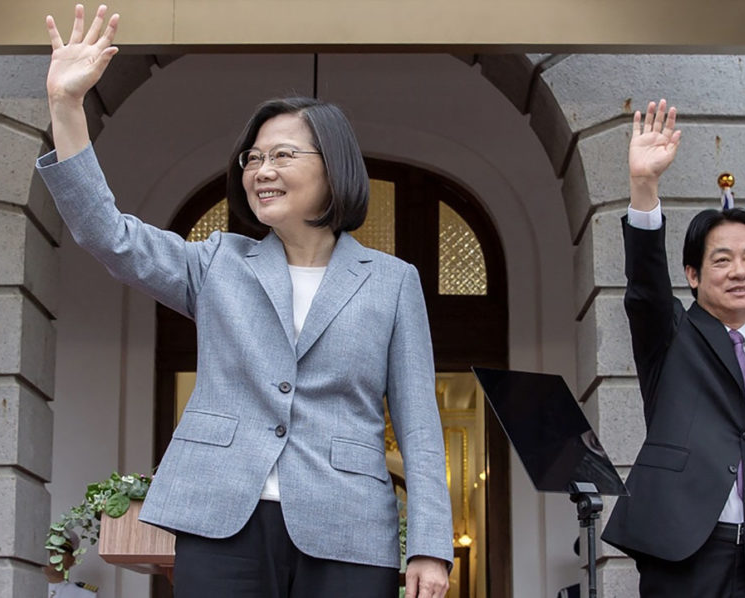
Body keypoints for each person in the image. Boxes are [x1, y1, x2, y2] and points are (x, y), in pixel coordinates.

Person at [35, 5, 453, 597]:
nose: (262, 170)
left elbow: (419, 424)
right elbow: (109, 235)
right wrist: (66, 106)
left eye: (282, 155)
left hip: (349, 527)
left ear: (333, 168)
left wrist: (430, 545)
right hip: (222, 521)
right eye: (253, 158)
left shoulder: (392, 281)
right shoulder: (218, 263)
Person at [600, 99, 745, 597]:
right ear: (693, 274)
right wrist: (644, 187)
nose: (740, 271)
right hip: (684, 555)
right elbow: (645, 287)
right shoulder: (672, 335)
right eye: (722, 260)